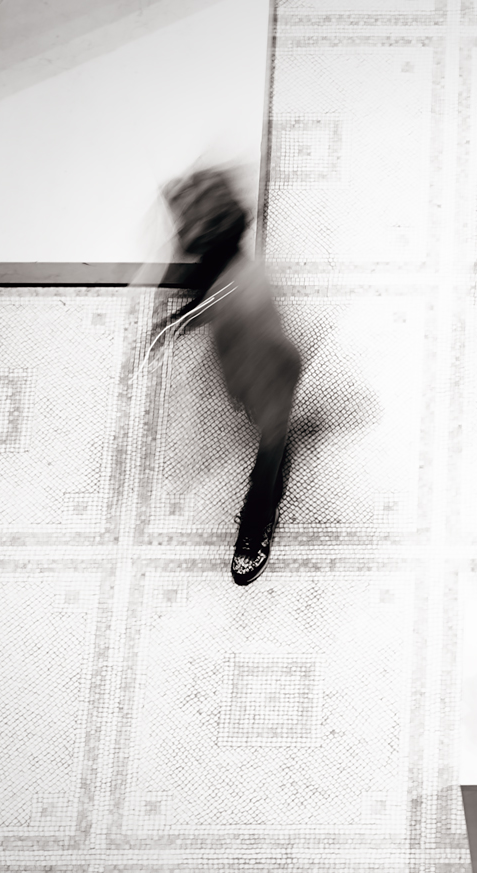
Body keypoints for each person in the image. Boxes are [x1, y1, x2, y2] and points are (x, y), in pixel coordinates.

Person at [162, 168, 302, 586]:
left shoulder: (245, 291)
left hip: (268, 377)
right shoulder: (225, 280)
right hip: (251, 371)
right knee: (271, 431)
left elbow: (273, 349)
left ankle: (254, 529)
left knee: (271, 451)